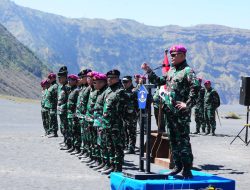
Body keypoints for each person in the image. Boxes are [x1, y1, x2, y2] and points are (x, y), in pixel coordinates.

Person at [141, 45, 199, 178]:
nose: (171, 57)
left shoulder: (187, 71)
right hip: (170, 112)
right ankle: (177, 166)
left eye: (174, 55)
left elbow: (196, 88)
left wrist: (188, 104)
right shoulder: (172, 71)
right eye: (171, 55)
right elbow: (161, 81)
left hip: (181, 114)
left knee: (183, 141)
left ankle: (187, 169)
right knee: (173, 140)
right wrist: (149, 71)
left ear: (183, 55)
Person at [100, 69, 127, 175]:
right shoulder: (108, 90)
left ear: (116, 78)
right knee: (109, 145)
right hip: (107, 122)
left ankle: (118, 167)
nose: (108, 79)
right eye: (108, 78)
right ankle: (111, 166)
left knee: (118, 146)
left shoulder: (120, 91)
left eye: (111, 78)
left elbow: (123, 108)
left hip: (116, 123)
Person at [74, 69, 92, 156]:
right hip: (81, 115)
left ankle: (88, 152)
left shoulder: (89, 89)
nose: (79, 79)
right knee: (83, 134)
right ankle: (84, 150)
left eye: (81, 77)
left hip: (86, 115)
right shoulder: (83, 88)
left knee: (88, 135)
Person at [122, 76, 138, 154]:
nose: (124, 84)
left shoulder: (134, 91)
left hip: (132, 115)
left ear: (130, 82)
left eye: (126, 82)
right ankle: (126, 145)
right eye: (123, 82)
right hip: (124, 114)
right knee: (125, 130)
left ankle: (131, 147)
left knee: (131, 131)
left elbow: (137, 103)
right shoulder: (123, 90)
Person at [66, 74, 79, 152]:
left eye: (70, 80)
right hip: (69, 113)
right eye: (68, 80)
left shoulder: (77, 90)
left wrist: (75, 113)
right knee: (71, 131)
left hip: (73, 114)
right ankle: (72, 146)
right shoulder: (71, 90)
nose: (68, 81)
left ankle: (77, 147)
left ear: (75, 81)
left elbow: (77, 103)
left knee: (75, 131)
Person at [57, 66, 70, 146]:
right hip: (60, 110)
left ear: (65, 78)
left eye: (61, 78)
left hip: (65, 111)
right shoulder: (61, 87)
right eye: (58, 78)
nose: (59, 79)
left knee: (66, 127)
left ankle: (68, 142)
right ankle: (65, 140)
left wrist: (64, 107)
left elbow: (69, 100)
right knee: (62, 126)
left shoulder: (68, 87)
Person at [45, 73, 59, 137]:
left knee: (53, 118)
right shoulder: (52, 86)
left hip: (53, 105)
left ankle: (54, 132)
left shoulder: (55, 86)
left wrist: (55, 103)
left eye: (50, 78)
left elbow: (57, 96)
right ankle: (52, 131)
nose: (48, 79)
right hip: (51, 105)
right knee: (51, 118)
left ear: (53, 78)